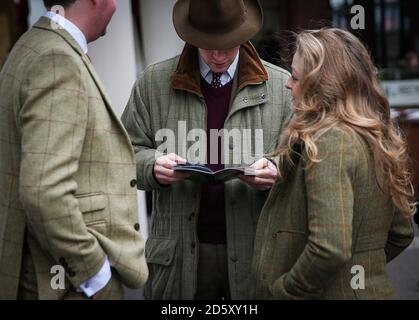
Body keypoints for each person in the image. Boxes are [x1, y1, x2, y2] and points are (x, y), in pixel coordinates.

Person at [121, 0, 292, 299]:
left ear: (244, 33)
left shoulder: (282, 86)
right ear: (191, 36)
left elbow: (302, 158)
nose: (218, 56)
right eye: (208, 45)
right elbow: (123, 152)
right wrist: (152, 165)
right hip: (178, 257)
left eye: (228, 45)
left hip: (256, 254)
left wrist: (277, 169)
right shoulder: (152, 83)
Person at [0, 0, 148, 300]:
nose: (117, 6)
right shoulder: (56, 58)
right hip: (62, 282)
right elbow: (45, 192)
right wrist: (96, 275)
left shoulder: (35, 45)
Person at [252, 28, 415, 300]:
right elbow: (401, 232)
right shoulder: (373, 135)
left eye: (294, 76)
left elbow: (330, 249)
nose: (287, 84)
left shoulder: (330, 141)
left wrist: (284, 290)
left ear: (321, 84)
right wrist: (362, 269)